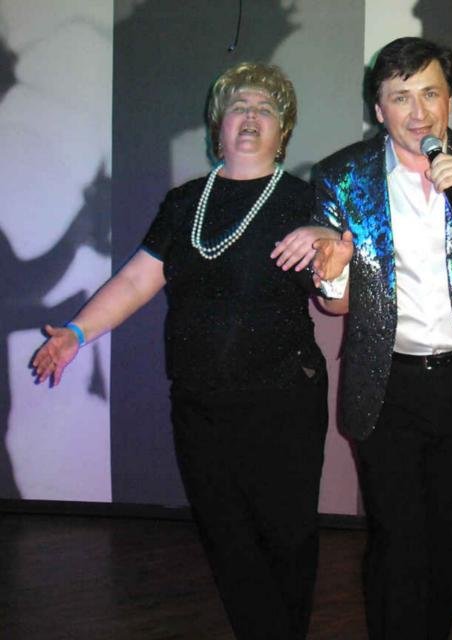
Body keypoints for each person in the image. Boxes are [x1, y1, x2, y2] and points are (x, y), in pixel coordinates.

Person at [32, 62, 330, 640]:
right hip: (200, 403)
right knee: (227, 537)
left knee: (288, 536)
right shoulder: (184, 202)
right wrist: (76, 333)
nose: (251, 116)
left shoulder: (308, 202)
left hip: (283, 401)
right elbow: (136, 280)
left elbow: (338, 298)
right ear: (219, 126)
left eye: (265, 109)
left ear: (283, 131)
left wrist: (330, 240)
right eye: (239, 107)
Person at [274, 37, 452, 640]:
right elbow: (334, 299)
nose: (418, 111)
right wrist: (333, 270)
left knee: (449, 537)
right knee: (396, 538)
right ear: (379, 109)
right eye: (401, 97)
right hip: (387, 384)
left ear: (449, 99)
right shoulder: (343, 174)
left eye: (430, 93)